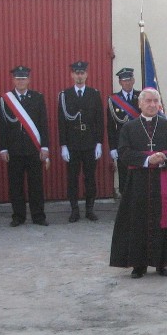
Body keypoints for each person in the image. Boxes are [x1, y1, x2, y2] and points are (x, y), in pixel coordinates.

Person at [109, 88, 167, 278]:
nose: (152, 105)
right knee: (138, 222)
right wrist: (147, 160)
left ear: (159, 104)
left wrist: (163, 159)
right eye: (147, 101)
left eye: (155, 101)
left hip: (163, 183)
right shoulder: (129, 127)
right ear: (140, 104)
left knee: (163, 223)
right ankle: (138, 265)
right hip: (138, 184)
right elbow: (124, 154)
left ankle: (162, 263)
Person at [0, 66, 50, 227]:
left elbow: (43, 124)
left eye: (24, 78)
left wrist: (45, 147)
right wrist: (3, 148)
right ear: (13, 80)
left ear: (29, 80)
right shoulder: (5, 99)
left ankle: (38, 216)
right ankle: (18, 216)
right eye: (18, 79)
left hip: (33, 149)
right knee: (15, 185)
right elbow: (1, 126)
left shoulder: (38, 98)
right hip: (14, 150)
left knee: (36, 185)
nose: (21, 81)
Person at [58, 60, 104, 222]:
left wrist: (99, 142)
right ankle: (74, 210)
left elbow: (99, 120)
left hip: (90, 143)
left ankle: (89, 209)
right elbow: (61, 122)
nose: (79, 76)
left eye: (82, 73)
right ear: (72, 75)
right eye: (76, 73)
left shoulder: (94, 94)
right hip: (72, 144)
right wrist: (63, 145)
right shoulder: (65, 95)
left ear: (87, 74)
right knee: (72, 178)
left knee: (90, 178)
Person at [107, 67, 140, 198]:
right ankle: (125, 201)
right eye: (124, 80)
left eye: (129, 79)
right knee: (124, 173)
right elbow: (110, 126)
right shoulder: (113, 100)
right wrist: (112, 148)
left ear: (133, 80)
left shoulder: (141, 96)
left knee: (139, 172)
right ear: (120, 82)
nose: (127, 83)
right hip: (122, 143)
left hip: (139, 141)